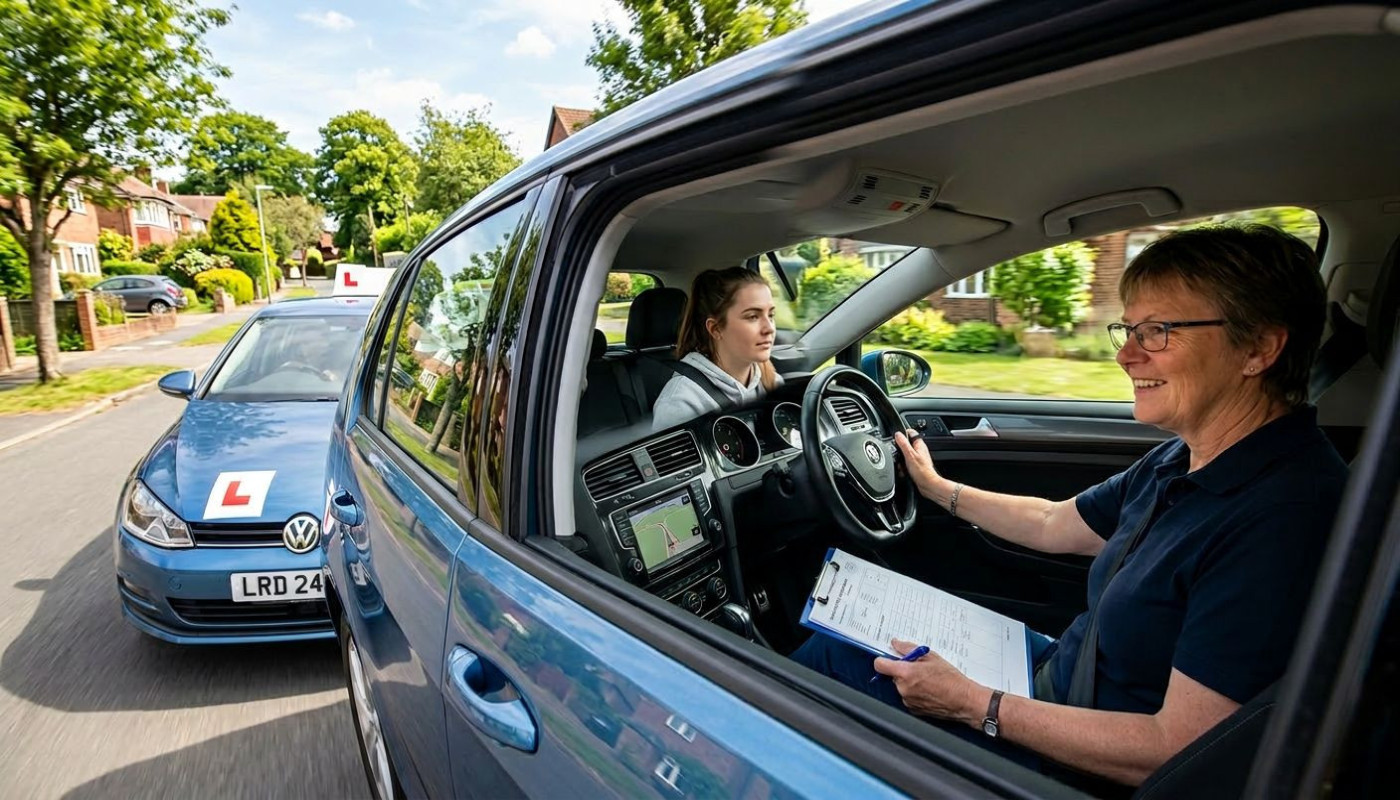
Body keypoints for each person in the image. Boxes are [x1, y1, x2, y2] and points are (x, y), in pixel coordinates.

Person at [791, 224, 1349, 787]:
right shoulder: (1183, 459)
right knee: (863, 632)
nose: (1127, 356)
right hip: (1063, 679)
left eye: (1156, 332)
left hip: (1082, 763)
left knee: (829, 660)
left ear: (1258, 349)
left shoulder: (1283, 516)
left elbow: (1177, 751)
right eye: (1127, 330)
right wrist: (938, 489)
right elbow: (1055, 521)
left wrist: (973, 705)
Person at [652, 267, 783, 430]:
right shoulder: (679, 404)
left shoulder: (773, 382)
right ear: (716, 329)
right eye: (752, 317)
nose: (769, 328)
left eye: (770, 315)